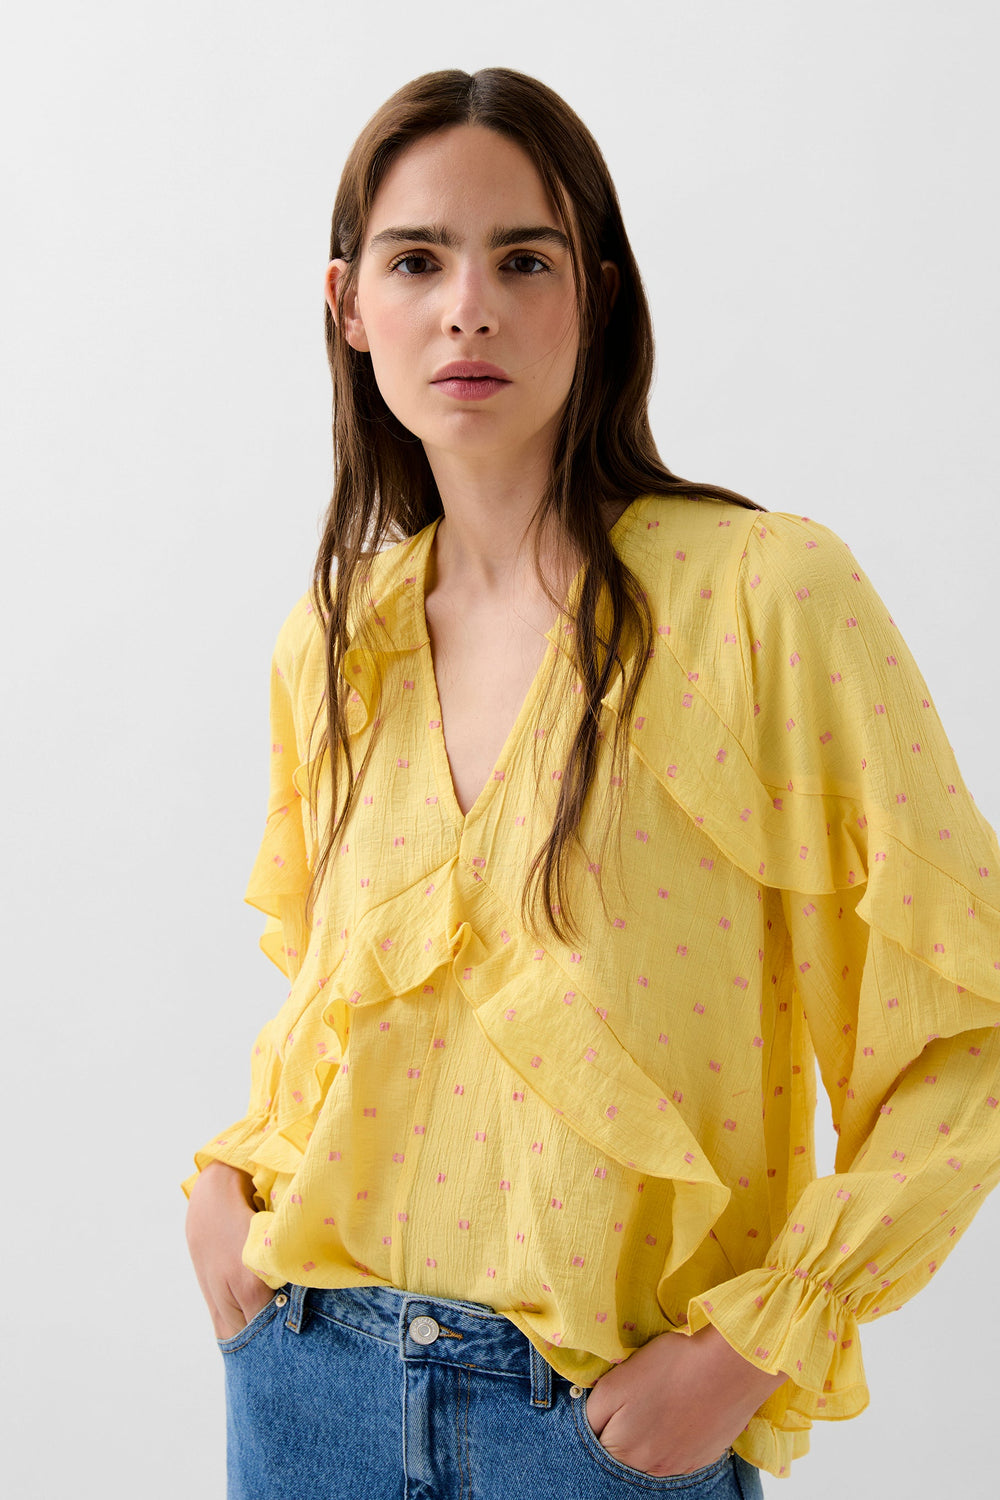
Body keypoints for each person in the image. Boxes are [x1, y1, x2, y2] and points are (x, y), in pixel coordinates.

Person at [184, 67, 1000, 1498]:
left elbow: (969, 1027)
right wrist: (223, 1185)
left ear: (598, 297)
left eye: (524, 260)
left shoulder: (764, 599)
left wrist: (760, 1341)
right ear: (349, 305)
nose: (469, 309)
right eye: (417, 261)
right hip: (309, 1385)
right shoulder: (340, 635)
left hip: (600, 1430)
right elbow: (335, 1003)